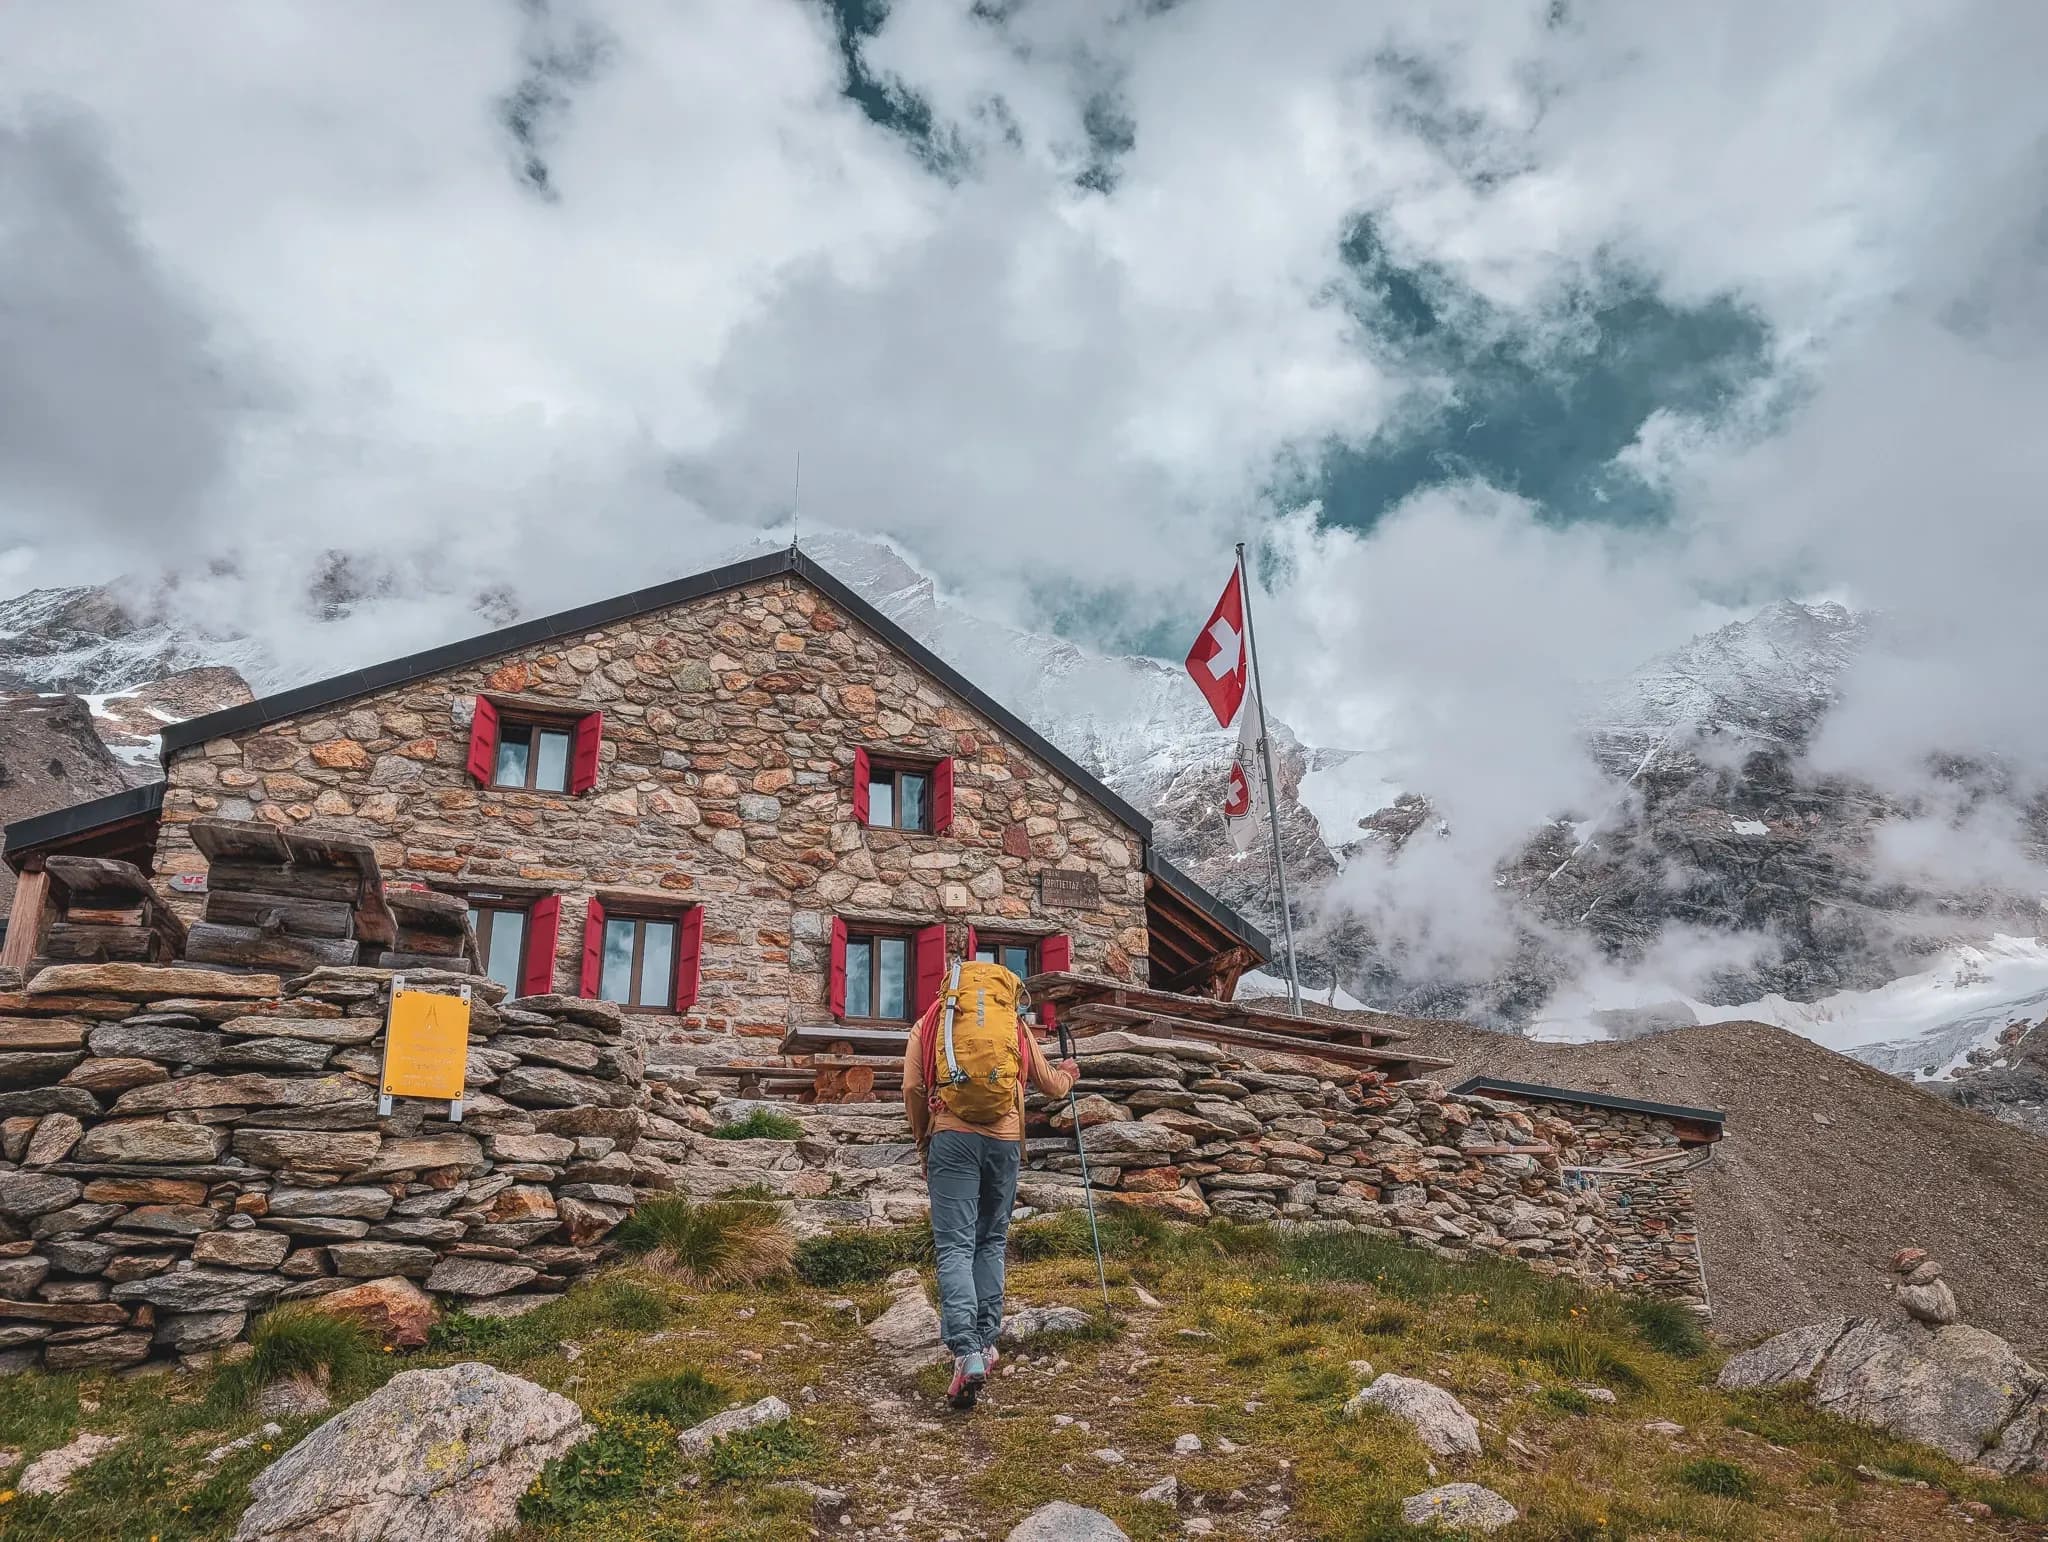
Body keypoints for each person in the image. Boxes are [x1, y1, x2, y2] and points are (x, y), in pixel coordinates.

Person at [903, 970, 1078, 1410]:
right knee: (992, 1241)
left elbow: (912, 1088)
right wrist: (1070, 1074)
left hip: (952, 1138)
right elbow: (1051, 1084)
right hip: (1004, 1143)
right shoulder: (1012, 1025)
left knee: (955, 1246)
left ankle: (965, 1352)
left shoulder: (929, 1024)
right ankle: (986, 1340)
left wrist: (925, 1144)